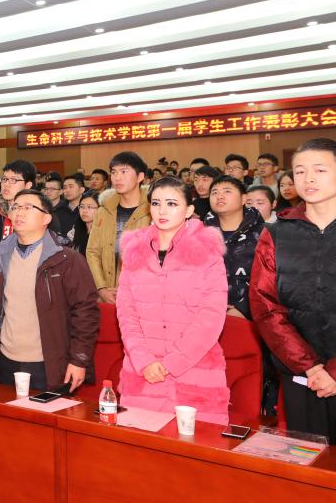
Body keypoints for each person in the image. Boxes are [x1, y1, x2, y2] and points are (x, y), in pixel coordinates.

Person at [251, 138, 336, 444]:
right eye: (300, 171)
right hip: (302, 377)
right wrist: (309, 366)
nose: (309, 179)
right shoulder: (276, 234)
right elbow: (265, 306)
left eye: (320, 170)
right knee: (308, 457)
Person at [116, 176, 229, 425]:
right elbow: (126, 313)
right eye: (156, 203)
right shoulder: (134, 251)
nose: (162, 211)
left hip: (194, 369)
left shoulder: (207, 251)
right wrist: (144, 360)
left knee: (195, 443)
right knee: (138, 442)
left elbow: (211, 316)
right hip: (143, 370)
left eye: (172, 204)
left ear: (188, 210)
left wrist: (172, 363)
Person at [0, 189, 99, 391]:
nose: (19, 212)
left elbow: (86, 312)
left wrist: (79, 360)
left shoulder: (66, 259)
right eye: (15, 207)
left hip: (49, 363)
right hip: (5, 359)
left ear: (46, 218)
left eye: (28, 208)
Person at [86, 152, 151, 304]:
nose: (117, 177)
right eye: (114, 172)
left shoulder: (153, 211)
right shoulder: (103, 211)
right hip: (106, 294)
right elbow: (92, 251)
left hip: (140, 296)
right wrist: (101, 288)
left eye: (124, 171)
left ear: (140, 177)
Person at [204, 175, 264, 320]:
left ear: (244, 199)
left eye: (227, 191)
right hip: (207, 313)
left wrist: (243, 309)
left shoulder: (264, 233)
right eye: (214, 192)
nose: (219, 196)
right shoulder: (201, 234)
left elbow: (269, 280)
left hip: (251, 314)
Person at [0, 160, 36, 248]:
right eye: (5, 179)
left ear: (28, 185)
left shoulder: (37, 215)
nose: (6, 184)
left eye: (13, 180)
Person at [70, 191, 100, 255]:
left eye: (89, 207)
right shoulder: (76, 229)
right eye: (82, 207)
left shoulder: (104, 233)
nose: (84, 211)